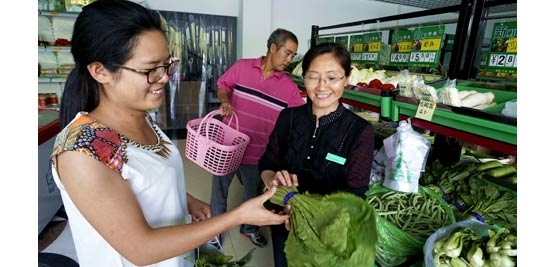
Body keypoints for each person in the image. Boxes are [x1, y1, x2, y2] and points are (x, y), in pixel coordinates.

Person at [49, 1, 289, 266]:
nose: (164, 78)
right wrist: (237, 216)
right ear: (101, 71)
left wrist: (187, 202)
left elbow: (146, 182)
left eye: (167, 64)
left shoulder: (142, 117)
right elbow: (141, 249)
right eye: (150, 69)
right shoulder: (84, 151)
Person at [258, 42, 375, 267]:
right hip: (282, 221)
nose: (322, 87)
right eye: (313, 77)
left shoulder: (359, 131)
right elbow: (266, 163)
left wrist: (310, 214)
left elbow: (355, 196)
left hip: (326, 233)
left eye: (332, 78)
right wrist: (273, 180)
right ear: (304, 78)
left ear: (346, 78)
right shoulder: (288, 118)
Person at [210, 28, 305, 248]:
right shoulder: (242, 67)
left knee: (252, 195)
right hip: (228, 147)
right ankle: (214, 232)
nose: (289, 59)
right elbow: (223, 85)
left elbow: (299, 120)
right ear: (273, 48)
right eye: (287, 53)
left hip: (258, 153)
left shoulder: (289, 88)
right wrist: (225, 101)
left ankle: (249, 228)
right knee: (219, 191)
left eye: (293, 55)